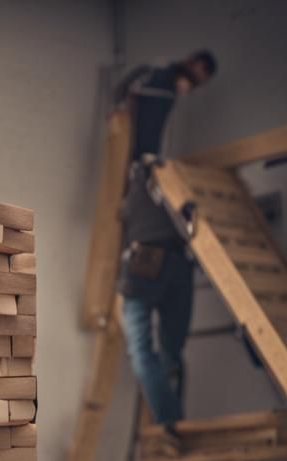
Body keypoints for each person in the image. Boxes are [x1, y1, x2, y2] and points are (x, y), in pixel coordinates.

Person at [114, 50, 217, 437]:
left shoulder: (144, 177)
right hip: (178, 267)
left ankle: (170, 418)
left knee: (142, 351)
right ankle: (174, 414)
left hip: (146, 263)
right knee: (171, 352)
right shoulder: (173, 188)